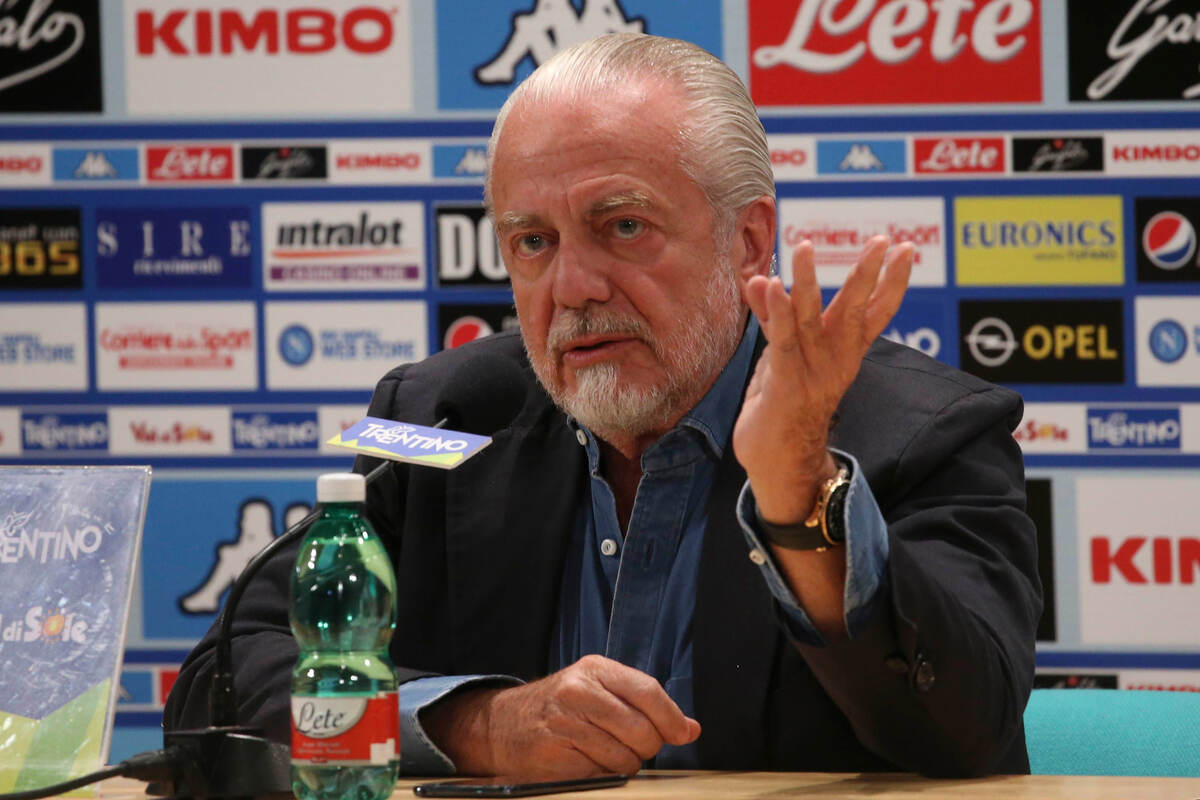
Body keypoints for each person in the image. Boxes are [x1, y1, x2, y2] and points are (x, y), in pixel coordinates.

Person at [164, 33, 1041, 779]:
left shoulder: (928, 431)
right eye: (533, 242)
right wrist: (476, 725)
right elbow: (225, 683)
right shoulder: (435, 415)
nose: (573, 286)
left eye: (623, 226)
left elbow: (967, 734)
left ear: (748, 241)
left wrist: (799, 494)